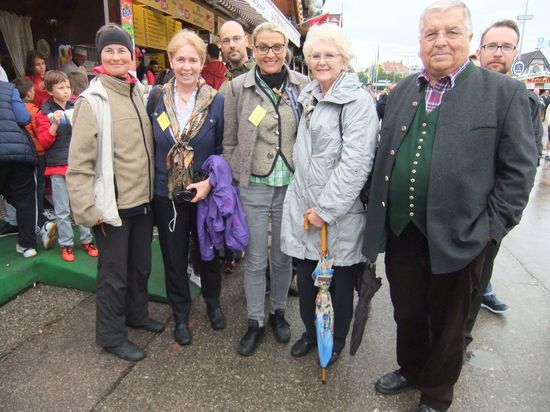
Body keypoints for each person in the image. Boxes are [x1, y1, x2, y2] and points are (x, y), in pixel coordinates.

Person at [362, 2, 537, 411]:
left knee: (448, 324)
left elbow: (519, 172)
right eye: (431, 33)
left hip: (462, 236)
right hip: (403, 232)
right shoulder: (403, 89)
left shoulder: (505, 93)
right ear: (420, 41)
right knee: (407, 313)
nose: (441, 40)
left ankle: (437, 395)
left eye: (452, 32)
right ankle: (410, 368)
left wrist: (490, 229)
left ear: (469, 39)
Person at [280, 24, 378, 366]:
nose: (321, 61)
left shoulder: (358, 102)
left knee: (337, 284)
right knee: (307, 281)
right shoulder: (309, 95)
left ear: (344, 59)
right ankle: (311, 333)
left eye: (329, 55)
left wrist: (325, 209)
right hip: (306, 212)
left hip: (337, 215)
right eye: (316, 55)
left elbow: (356, 163)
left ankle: (334, 341)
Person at [66, 23, 163, 362]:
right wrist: (88, 210)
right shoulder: (92, 101)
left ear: (132, 55)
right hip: (112, 208)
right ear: (100, 57)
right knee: (113, 276)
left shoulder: (137, 91)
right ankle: (111, 335)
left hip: (142, 200)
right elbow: (78, 165)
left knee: (140, 267)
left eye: (122, 49)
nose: (117, 55)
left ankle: (137, 315)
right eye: (110, 50)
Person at [223, 22, 309, 356]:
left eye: (276, 47)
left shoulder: (303, 86)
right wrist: (235, 172)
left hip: (290, 185)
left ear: (286, 49)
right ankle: (255, 321)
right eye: (262, 47)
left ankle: (278, 313)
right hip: (254, 186)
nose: (270, 54)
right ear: (252, 48)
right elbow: (228, 139)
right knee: (257, 257)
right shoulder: (236, 88)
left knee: (283, 255)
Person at [463, 19, 544, 345]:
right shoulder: (460, 95)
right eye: (491, 46)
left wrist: (496, 223)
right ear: (479, 51)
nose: (498, 53)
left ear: (515, 52)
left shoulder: (526, 102)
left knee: (475, 282)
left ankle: (460, 343)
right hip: (451, 210)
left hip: (488, 216)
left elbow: (528, 162)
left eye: (506, 46)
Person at [148, 30, 226, 346]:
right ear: (171, 61)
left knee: (207, 254)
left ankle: (213, 302)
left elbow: (222, 152)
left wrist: (210, 184)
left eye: (193, 59)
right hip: (166, 193)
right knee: (174, 256)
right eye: (180, 59)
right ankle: (181, 314)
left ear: (202, 62)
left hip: (203, 192)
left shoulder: (216, 101)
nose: (187, 66)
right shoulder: (154, 98)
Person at [36, 70, 98, 262]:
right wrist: (54, 124)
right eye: (61, 87)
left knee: (82, 205)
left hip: (79, 164)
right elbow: (44, 142)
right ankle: (67, 244)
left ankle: (87, 240)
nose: (65, 91)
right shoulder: (43, 112)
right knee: (62, 210)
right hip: (57, 166)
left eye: (67, 87)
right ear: (50, 90)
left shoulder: (77, 105)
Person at [12, 77, 57, 249]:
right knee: (36, 191)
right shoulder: (34, 111)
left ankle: (34, 223)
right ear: (30, 92)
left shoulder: (14, 110)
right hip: (37, 153)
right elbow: (40, 133)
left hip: (25, 156)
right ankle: (40, 222)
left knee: (28, 191)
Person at [0, 76, 38, 257]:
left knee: (12, 195)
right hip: (19, 151)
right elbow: (24, 117)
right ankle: (27, 245)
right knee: (25, 198)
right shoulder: (9, 89)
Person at [218, 20, 254, 93]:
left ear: (246, 41)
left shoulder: (263, 73)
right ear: (221, 46)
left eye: (236, 39)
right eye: (226, 41)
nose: (232, 45)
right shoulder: (223, 89)